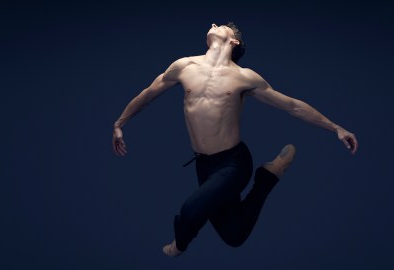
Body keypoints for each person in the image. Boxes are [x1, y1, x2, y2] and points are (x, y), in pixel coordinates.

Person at [112, 22, 358, 257]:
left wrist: (334, 127)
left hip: (233, 163)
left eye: (221, 25)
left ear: (234, 40)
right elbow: (148, 94)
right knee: (234, 235)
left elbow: (292, 106)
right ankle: (267, 178)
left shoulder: (244, 77)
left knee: (191, 210)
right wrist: (120, 123)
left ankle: (180, 244)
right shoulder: (183, 66)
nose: (214, 23)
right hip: (204, 165)